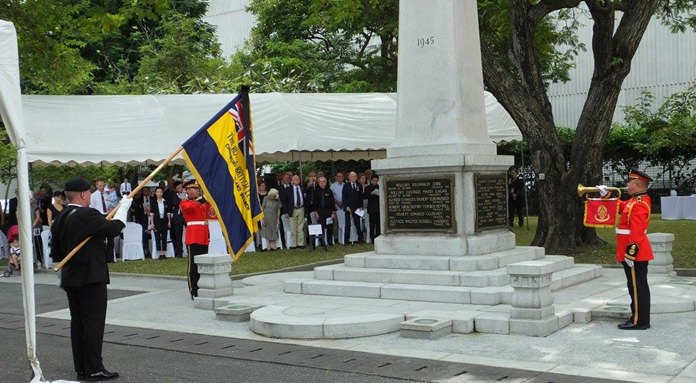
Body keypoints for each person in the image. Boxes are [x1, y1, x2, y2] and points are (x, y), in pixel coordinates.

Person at [50, 176, 131, 382]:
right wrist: (123, 208)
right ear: (85, 194)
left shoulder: (61, 217)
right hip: (90, 278)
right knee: (93, 324)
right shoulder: (86, 214)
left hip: (70, 277)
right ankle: (94, 368)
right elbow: (113, 229)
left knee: (78, 324)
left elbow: (56, 254)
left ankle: (82, 368)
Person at [601, 169, 654, 330]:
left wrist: (631, 254)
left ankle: (640, 321)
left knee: (637, 288)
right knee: (635, 286)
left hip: (634, 253)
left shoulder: (640, 203)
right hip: (631, 252)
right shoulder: (634, 200)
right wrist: (606, 196)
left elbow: (637, 232)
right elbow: (621, 206)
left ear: (637, 184)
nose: (627, 185)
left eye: (629, 182)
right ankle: (637, 316)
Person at [179, 179, 210, 299]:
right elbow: (191, 207)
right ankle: (194, 290)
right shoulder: (184, 203)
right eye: (195, 189)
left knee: (203, 264)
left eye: (198, 189)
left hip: (203, 236)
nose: (198, 191)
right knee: (193, 266)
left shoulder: (201, 202)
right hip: (193, 236)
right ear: (188, 191)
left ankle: (202, 286)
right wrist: (204, 198)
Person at [90, 179, 116, 262]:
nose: (102, 187)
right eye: (100, 185)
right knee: (101, 237)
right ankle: (102, 256)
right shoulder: (93, 195)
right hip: (99, 216)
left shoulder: (108, 193)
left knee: (110, 237)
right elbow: (92, 208)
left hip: (109, 214)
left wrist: (111, 210)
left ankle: (110, 257)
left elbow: (114, 202)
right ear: (96, 186)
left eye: (103, 185)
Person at [281, 174, 306, 249]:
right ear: (292, 180)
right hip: (292, 209)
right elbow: (284, 201)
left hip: (301, 208)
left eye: (298, 179)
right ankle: (294, 244)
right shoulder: (288, 189)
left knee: (300, 227)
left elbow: (306, 200)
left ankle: (300, 243)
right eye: (295, 179)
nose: (297, 180)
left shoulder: (302, 188)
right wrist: (286, 211)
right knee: (293, 227)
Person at [310, 176, 336, 246]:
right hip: (320, 212)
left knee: (330, 227)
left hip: (329, 211)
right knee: (321, 227)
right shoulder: (316, 192)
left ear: (326, 182)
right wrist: (316, 213)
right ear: (318, 183)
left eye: (324, 182)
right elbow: (314, 204)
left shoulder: (329, 191)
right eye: (321, 182)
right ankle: (322, 242)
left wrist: (333, 213)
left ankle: (330, 242)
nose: (322, 183)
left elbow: (332, 203)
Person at [342, 171, 364, 244]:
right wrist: (346, 206)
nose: (353, 178)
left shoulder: (359, 185)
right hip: (348, 208)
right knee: (347, 225)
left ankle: (360, 239)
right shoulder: (346, 185)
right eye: (352, 176)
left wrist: (361, 206)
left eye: (355, 176)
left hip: (357, 208)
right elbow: (344, 197)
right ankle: (346, 240)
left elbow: (361, 197)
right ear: (349, 177)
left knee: (358, 224)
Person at [150, 186, 171, 260]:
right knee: (157, 237)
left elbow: (168, 212)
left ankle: (164, 253)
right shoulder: (153, 202)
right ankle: (159, 253)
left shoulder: (166, 201)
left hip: (164, 220)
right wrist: (152, 223)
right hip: (157, 220)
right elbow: (152, 213)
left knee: (165, 237)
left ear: (162, 193)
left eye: (160, 192)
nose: (159, 193)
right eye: (157, 192)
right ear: (155, 193)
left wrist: (169, 221)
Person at [364, 174, 381, 240]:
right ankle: (372, 238)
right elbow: (364, 196)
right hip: (371, 209)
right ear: (371, 180)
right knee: (372, 224)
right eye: (374, 180)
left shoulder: (379, 187)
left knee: (378, 225)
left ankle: (378, 237)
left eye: (376, 181)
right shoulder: (367, 188)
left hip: (378, 208)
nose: (375, 182)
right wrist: (371, 193)